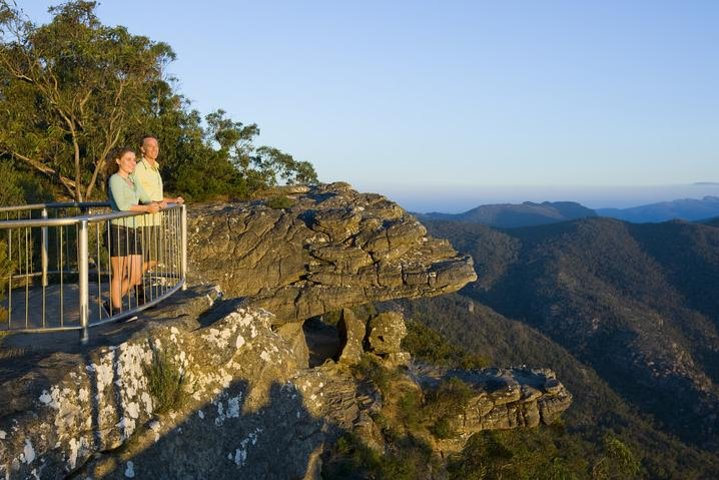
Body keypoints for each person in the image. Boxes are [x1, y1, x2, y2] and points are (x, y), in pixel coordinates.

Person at [106, 147, 161, 312]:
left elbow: (145, 198)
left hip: (132, 229)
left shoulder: (133, 180)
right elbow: (123, 206)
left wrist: (157, 203)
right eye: (128, 159)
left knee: (136, 274)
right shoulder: (115, 179)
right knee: (120, 273)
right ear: (118, 161)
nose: (132, 163)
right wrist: (146, 209)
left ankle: (111, 304)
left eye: (133, 159)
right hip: (118, 229)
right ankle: (117, 311)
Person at [131, 135, 184, 302]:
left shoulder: (155, 169)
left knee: (154, 258)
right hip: (143, 221)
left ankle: (132, 282)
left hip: (155, 219)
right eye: (150, 146)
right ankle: (133, 290)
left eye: (156, 146)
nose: (154, 149)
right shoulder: (139, 168)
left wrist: (173, 200)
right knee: (144, 259)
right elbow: (137, 195)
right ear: (142, 149)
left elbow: (156, 196)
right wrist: (152, 205)